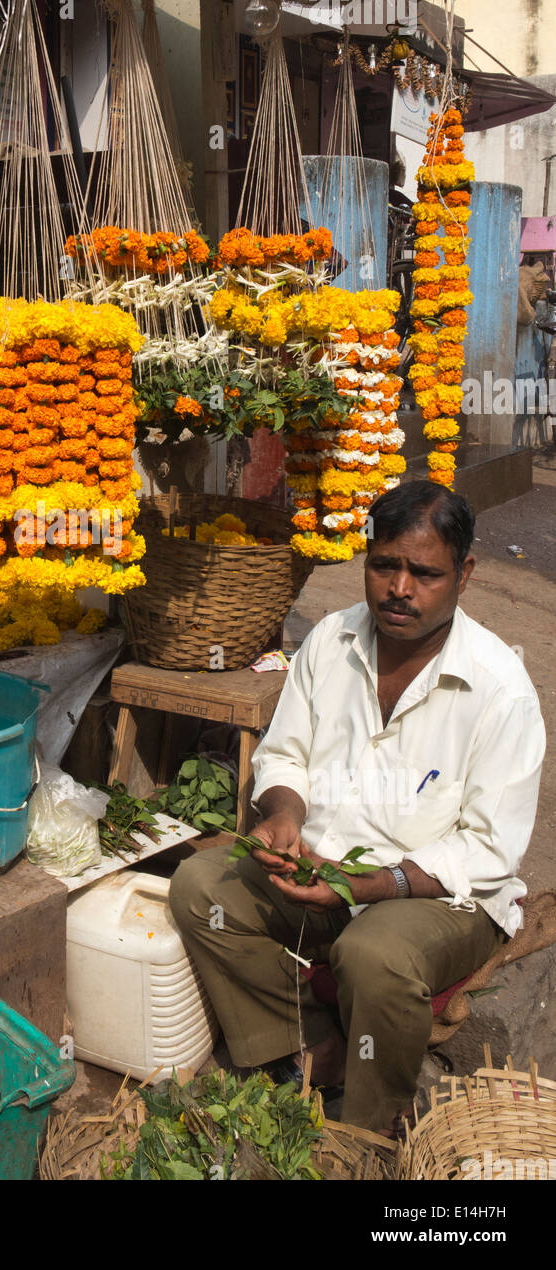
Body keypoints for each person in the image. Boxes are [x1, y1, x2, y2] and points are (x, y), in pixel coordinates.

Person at [170, 480, 545, 1135]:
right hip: (324, 868)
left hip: (441, 895)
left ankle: (366, 1132)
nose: (399, 588)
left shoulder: (499, 689)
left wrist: (373, 884)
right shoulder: (329, 641)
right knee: (201, 887)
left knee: (373, 955)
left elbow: (487, 852)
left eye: (424, 573)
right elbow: (284, 754)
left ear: (464, 574)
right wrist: (283, 816)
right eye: (383, 565)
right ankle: (308, 1048)